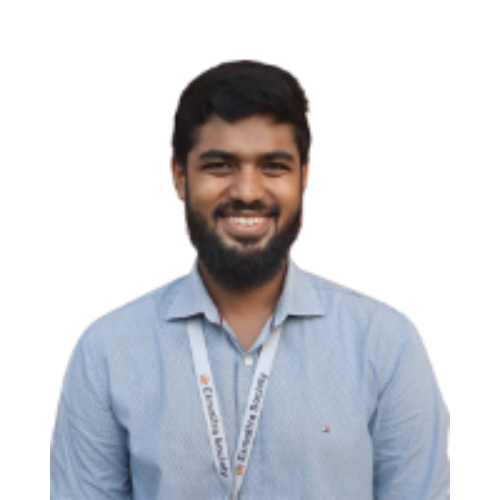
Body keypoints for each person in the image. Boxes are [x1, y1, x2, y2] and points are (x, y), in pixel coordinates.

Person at [50, 60, 450, 499]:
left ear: (304, 176)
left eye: (273, 166)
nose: (246, 191)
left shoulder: (385, 346)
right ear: (180, 177)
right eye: (220, 166)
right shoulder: (107, 354)